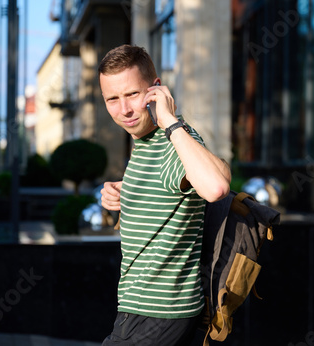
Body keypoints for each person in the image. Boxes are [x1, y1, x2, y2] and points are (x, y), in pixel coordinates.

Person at [99, 45, 231, 345]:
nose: (124, 110)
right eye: (112, 99)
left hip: (158, 310)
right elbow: (170, 188)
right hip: (143, 308)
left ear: (156, 90)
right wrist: (125, 191)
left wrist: (170, 120)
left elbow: (216, 188)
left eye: (132, 94)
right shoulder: (147, 142)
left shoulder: (172, 138)